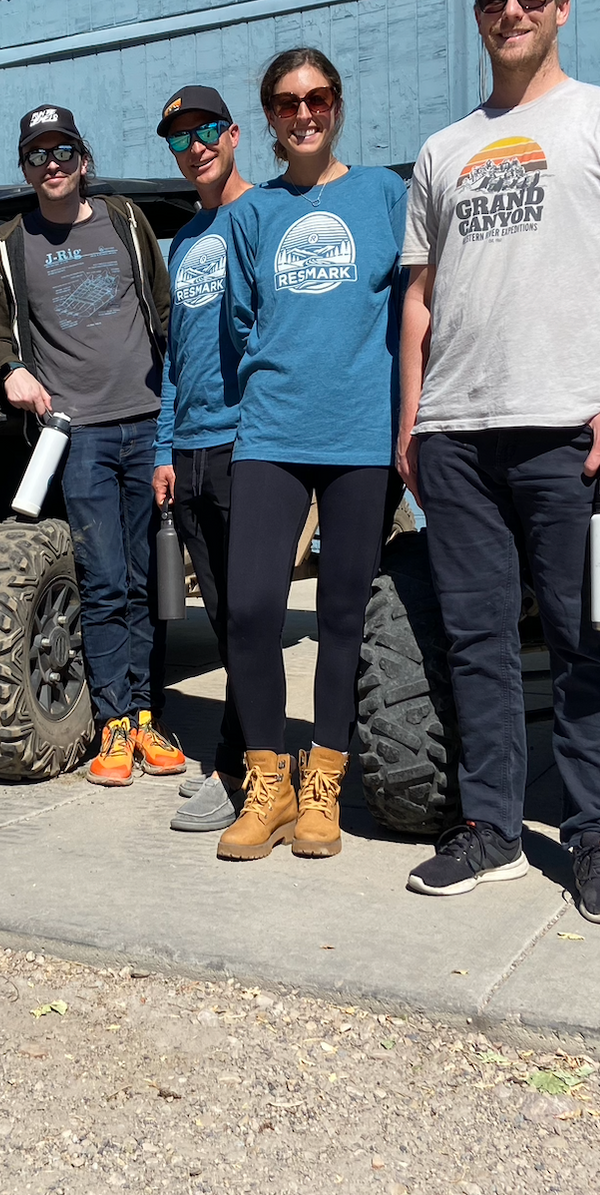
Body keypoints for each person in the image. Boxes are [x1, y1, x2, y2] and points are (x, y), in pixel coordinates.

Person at [396, 0, 600, 924]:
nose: (511, 11)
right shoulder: (443, 151)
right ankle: (492, 830)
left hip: (574, 428)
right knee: (478, 643)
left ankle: (597, 838)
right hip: (458, 436)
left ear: (562, 4)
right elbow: (421, 303)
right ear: (478, 14)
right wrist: (413, 424)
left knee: (584, 642)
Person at [215, 49, 407, 862]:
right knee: (252, 609)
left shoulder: (384, 195)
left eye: (318, 97)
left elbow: (413, 309)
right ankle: (270, 784)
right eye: (288, 102)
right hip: (273, 432)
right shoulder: (251, 213)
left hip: (362, 433)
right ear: (268, 116)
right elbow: (239, 325)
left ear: (338, 104)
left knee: (340, 615)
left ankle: (325, 781)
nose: (304, 113)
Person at [0, 104, 187, 786]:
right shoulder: (10, 244)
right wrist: (11, 372)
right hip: (81, 436)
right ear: (26, 168)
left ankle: (148, 719)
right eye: (37, 154)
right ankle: (114, 726)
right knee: (102, 583)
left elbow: (163, 309)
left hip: (150, 423)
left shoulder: (127, 221)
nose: (52, 164)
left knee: (146, 580)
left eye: (62, 149)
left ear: (83, 159)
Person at [150, 85, 253, 834]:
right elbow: (177, 362)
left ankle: (239, 764)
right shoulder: (183, 240)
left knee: (249, 615)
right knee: (221, 616)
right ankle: (239, 753)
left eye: (207, 130)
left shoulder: (263, 214)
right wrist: (163, 448)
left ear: (234, 133)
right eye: (181, 138)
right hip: (186, 451)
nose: (195, 146)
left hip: (246, 445)